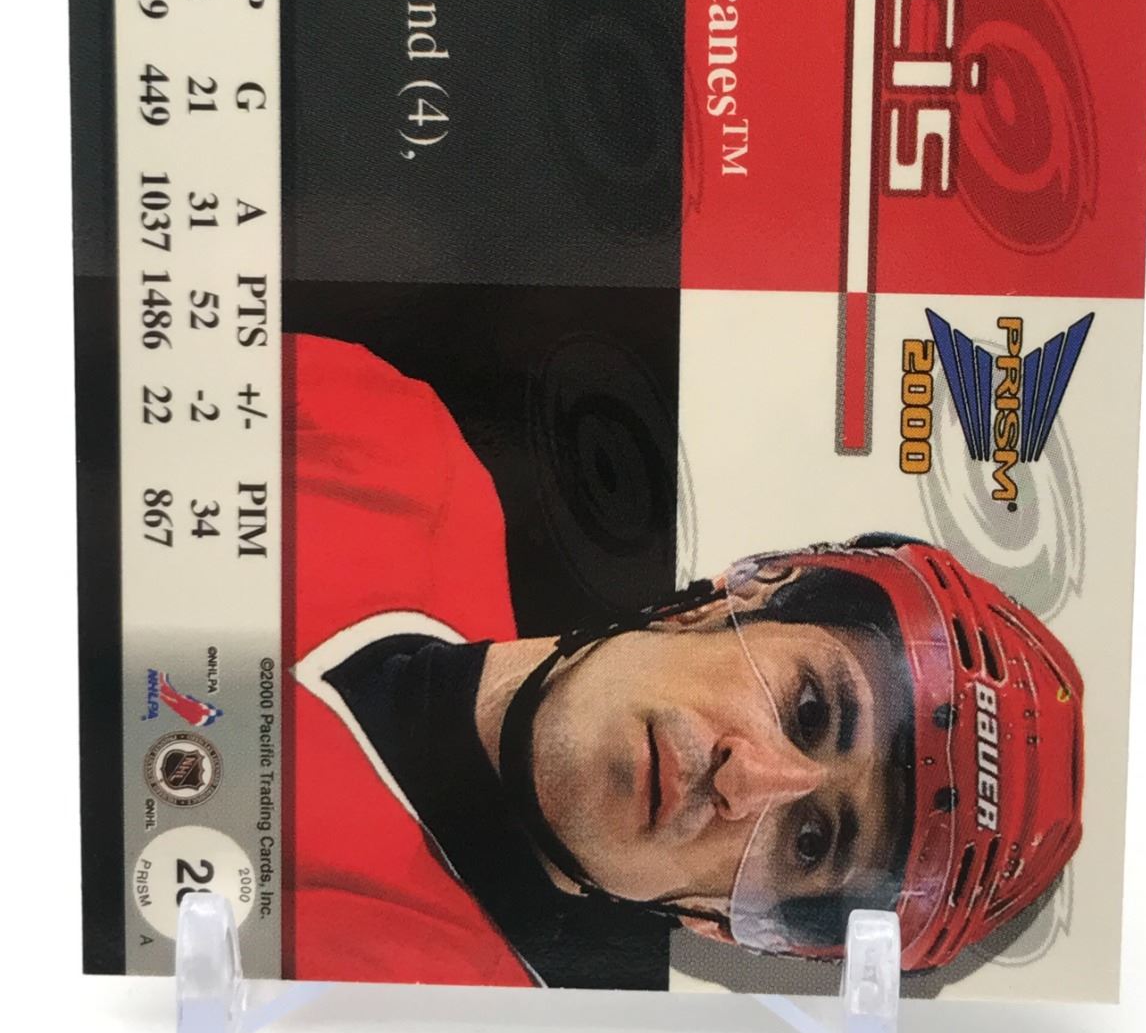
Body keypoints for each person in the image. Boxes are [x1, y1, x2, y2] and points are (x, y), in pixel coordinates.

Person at [286, 332, 1083, 986]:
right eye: (811, 710)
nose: (746, 783)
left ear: (720, 924)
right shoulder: (386, 443)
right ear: (735, 597)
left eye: (810, 841)